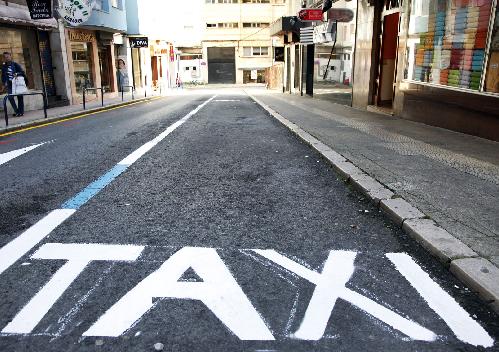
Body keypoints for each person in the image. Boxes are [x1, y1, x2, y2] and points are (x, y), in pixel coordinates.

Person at [1, 52, 25, 117]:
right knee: (10, 97)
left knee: (20, 97)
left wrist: (17, 74)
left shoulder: (15, 64)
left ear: (10, 56)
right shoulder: (3, 66)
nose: (6, 58)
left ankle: (21, 112)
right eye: (5, 57)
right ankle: (17, 111)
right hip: (10, 84)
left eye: (7, 57)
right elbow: (3, 76)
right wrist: (3, 84)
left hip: (17, 84)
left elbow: (22, 72)